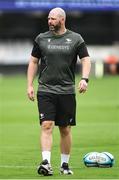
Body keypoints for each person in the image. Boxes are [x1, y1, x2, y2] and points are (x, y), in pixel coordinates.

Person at [27, 7, 91, 176]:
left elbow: (86, 59)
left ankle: (64, 165)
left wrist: (84, 79)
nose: (50, 21)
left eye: (53, 19)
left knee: (65, 129)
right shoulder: (41, 38)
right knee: (46, 125)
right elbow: (34, 62)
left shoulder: (76, 39)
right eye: (49, 18)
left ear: (62, 20)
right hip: (46, 90)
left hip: (67, 91)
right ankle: (46, 163)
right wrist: (30, 85)